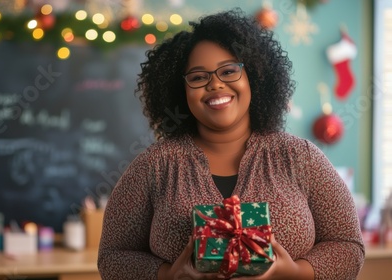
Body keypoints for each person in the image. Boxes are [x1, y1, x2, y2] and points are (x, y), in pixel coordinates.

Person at [97, 8, 364, 280]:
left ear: (255, 78)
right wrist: (169, 275)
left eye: (228, 71)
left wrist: (295, 272)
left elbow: (348, 246)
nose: (215, 84)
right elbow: (112, 257)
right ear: (182, 91)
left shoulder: (301, 157)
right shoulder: (153, 166)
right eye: (199, 77)